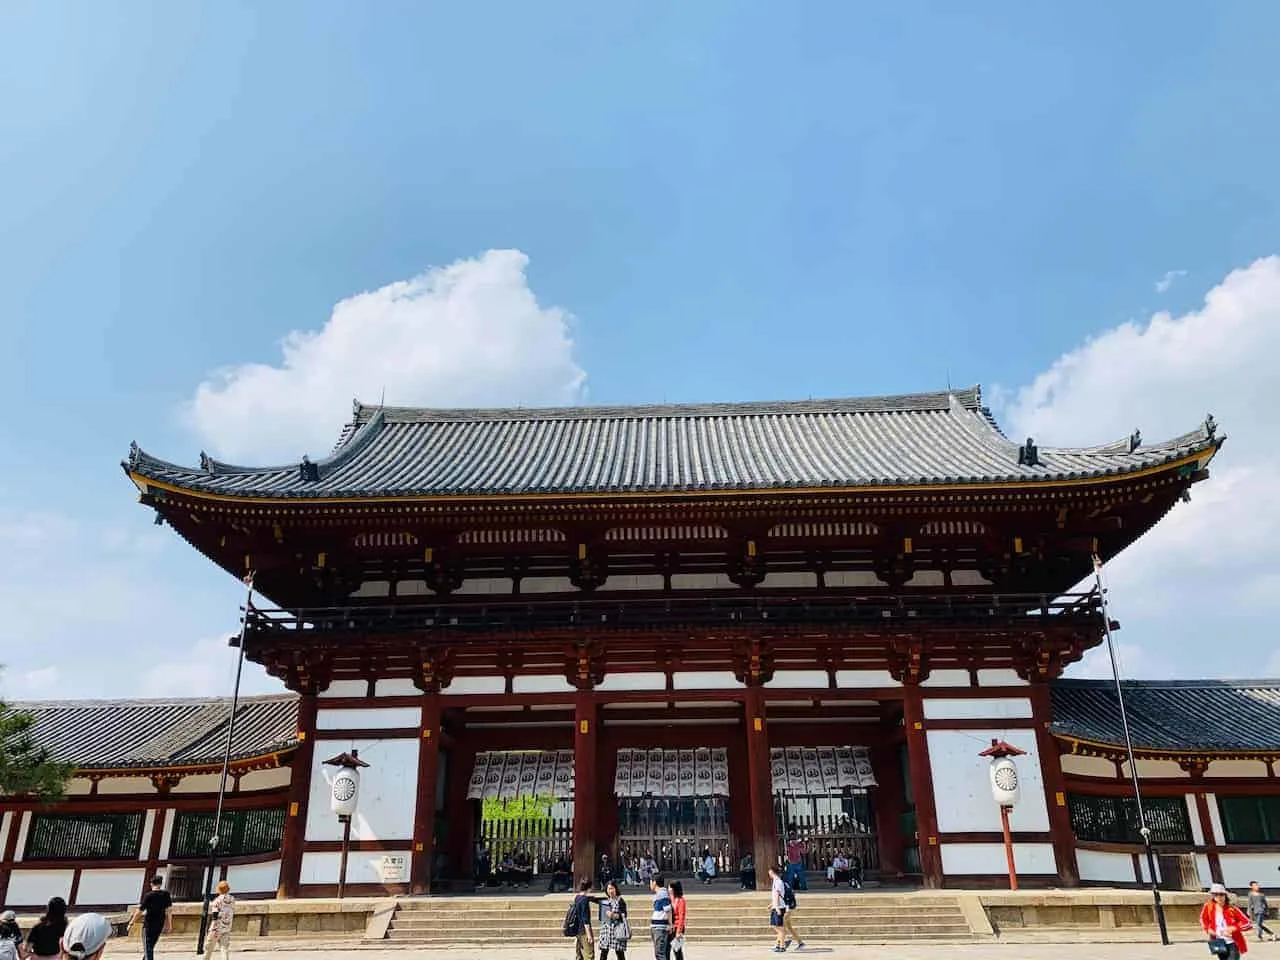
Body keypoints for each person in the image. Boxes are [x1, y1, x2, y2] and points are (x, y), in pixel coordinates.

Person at [1201, 883, 1253, 958]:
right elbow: (1203, 919)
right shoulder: (1208, 907)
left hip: (1233, 943)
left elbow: (1247, 923)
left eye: (1221, 894)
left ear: (1225, 895)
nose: (1219, 897)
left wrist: (1233, 928)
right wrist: (1208, 929)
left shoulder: (1232, 909)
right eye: (1216, 895)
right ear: (1213, 896)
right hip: (1219, 942)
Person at [131, 875, 174, 960]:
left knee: (148, 948)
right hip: (159, 924)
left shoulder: (149, 896)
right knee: (150, 947)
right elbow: (169, 911)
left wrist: (131, 922)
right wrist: (169, 924)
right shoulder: (166, 894)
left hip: (149, 925)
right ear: (160, 884)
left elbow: (140, 910)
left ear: (151, 884)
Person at [768, 864, 805, 953]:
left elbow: (779, 895)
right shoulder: (782, 882)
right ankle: (797, 942)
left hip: (785, 908)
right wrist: (772, 904)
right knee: (786, 926)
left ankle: (782, 943)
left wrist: (775, 906)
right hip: (786, 907)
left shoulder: (779, 882)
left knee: (781, 927)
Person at [597, 879, 630, 960]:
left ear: (616, 889)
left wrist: (614, 915)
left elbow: (624, 915)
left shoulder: (620, 900)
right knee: (604, 952)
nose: (610, 891)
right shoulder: (605, 901)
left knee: (619, 952)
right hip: (606, 930)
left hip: (617, 929)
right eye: (608, 889)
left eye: (612, 888)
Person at [206, 879, 236, 960]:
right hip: (227, 927)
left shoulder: (217, 900)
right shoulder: (232, 899)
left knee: (209, 948)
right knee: (224, 948)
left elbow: (215, 914)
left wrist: (213, 927)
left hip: (216, 928)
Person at [649, 874, 672, 960]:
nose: (650, 885)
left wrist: (670, 924)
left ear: (654, 882)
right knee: (660, 953)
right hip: (657, 926)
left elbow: (668, 910)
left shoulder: (662, 894)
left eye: (650, 882)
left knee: (660, 953)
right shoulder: (659, 894)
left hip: (660, 928)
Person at [571, 879, 595, 960]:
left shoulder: (577, 897)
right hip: (584, 930)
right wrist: (589, 934)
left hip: (577, 929)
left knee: (579, 953)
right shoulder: (584, 900)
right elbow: (585, 918)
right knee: (589, 954)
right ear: (589, 887)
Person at [670, 880, 687, 960]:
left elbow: (681, 916)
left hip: (678, 927)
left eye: (670, 887)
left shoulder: (681, 900)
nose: (669, 889)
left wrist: (679, 931)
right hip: (671, 927)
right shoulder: (670, 899)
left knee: (677, 950)